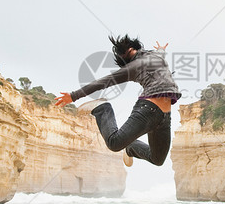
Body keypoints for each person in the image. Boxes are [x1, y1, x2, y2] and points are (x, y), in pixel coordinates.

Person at [54, 35, 180, 167]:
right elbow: (103, 82)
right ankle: (103, 108)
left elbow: (161, 52)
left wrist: (161, 49)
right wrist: (74, 96)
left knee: (157, 159)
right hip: (148, 110)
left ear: (130, 50)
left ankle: (130, 148)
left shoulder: (155, 55)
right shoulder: (135, 66)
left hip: (165, 117)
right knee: (114, 143)